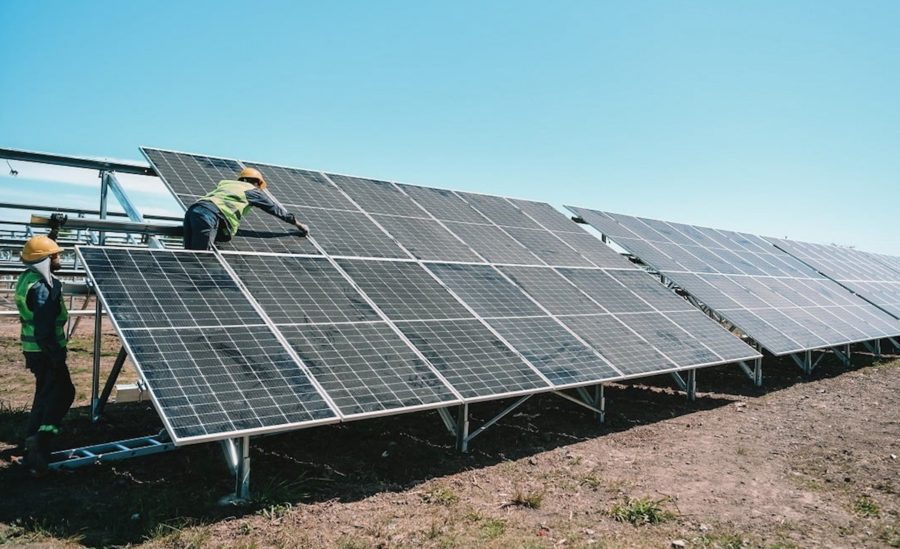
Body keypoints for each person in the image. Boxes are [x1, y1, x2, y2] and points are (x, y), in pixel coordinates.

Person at [15, 235, 75, 476]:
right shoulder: (42, 287)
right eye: (54, 255)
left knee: (45, 393)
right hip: (46, 351)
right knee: (62, 394)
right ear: (44, 260)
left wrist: (54, 231)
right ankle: (42, 442)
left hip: (36, 351)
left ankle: (33, 439)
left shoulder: (28, 278)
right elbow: (44, 325)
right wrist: (55, 355)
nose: (58, 258)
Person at [182, 167, 310, 250]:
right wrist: (298, 224)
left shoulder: (228, 185)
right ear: (257, 183)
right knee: (201, 255)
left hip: (193, 211)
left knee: (189, 255)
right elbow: (276, 210)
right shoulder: (252, 191)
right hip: (210, 215)